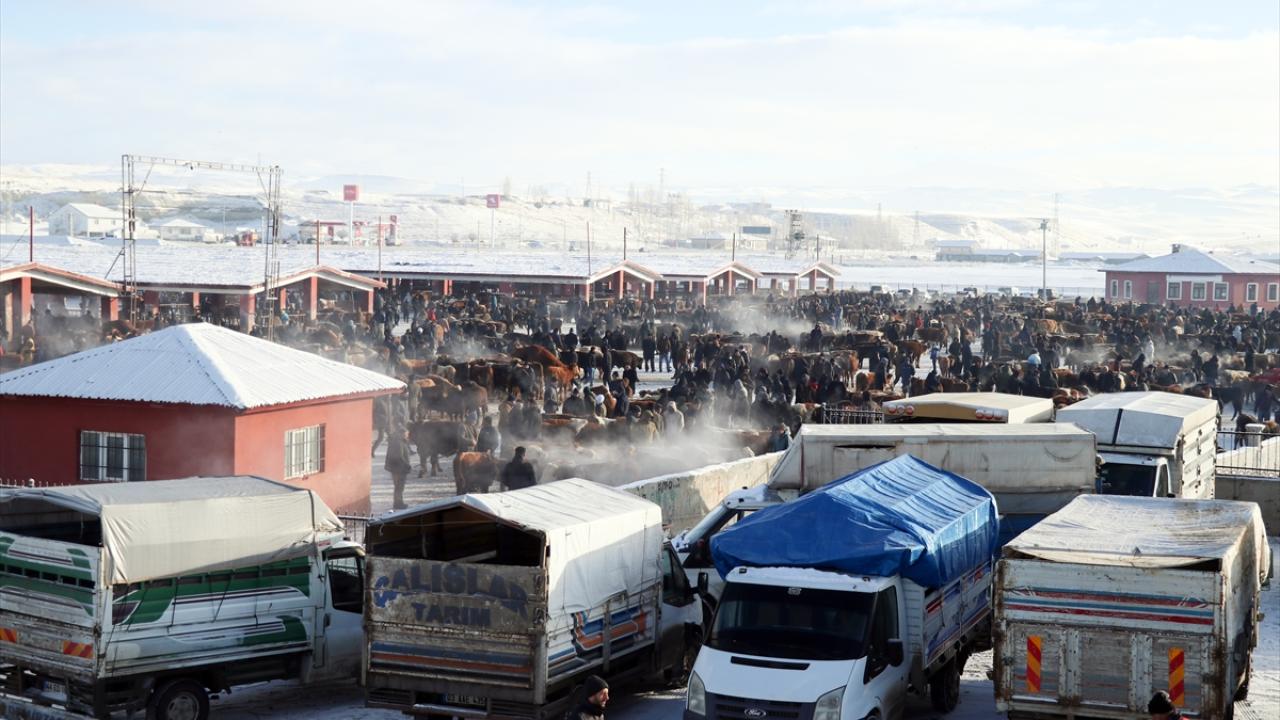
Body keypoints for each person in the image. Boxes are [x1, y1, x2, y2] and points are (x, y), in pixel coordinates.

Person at [385, 425, 413, 510]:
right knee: (399, 487)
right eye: (406, 433)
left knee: (398, 486)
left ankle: (398, 502)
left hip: (397, 468)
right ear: (402, 433)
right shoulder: (398, 442)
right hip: (399, 469)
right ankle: (398, 503)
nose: (408, 435)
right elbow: (399, 457)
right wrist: (407, 466)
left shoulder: (398, 441)